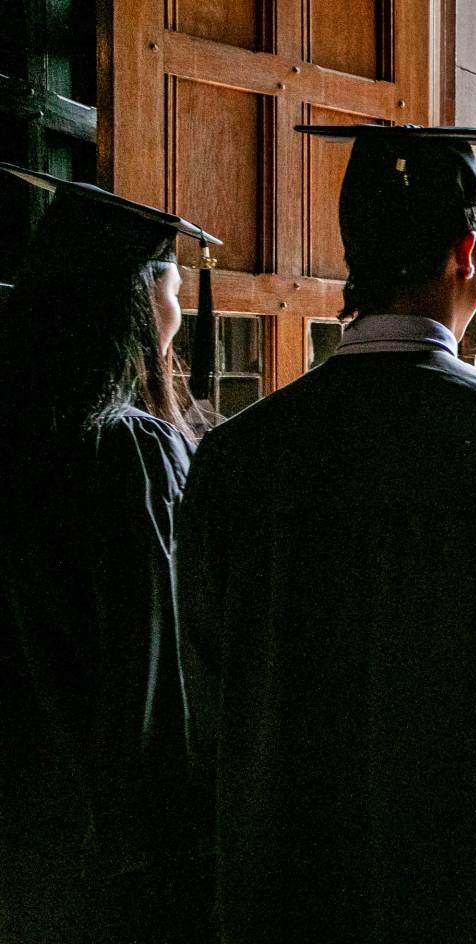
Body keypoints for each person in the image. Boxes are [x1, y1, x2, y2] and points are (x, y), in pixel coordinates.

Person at [176, 124, 476, 943]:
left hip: (285, 882)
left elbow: (204, 697)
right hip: (467, 890)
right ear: (469, 253)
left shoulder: (241, 454)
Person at [0, 164, 216, 942]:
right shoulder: (129, 450)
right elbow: (156, 659)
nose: (181, 303)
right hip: (112, 839)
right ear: (134, 296)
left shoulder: (25, 432)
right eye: (172, 283)